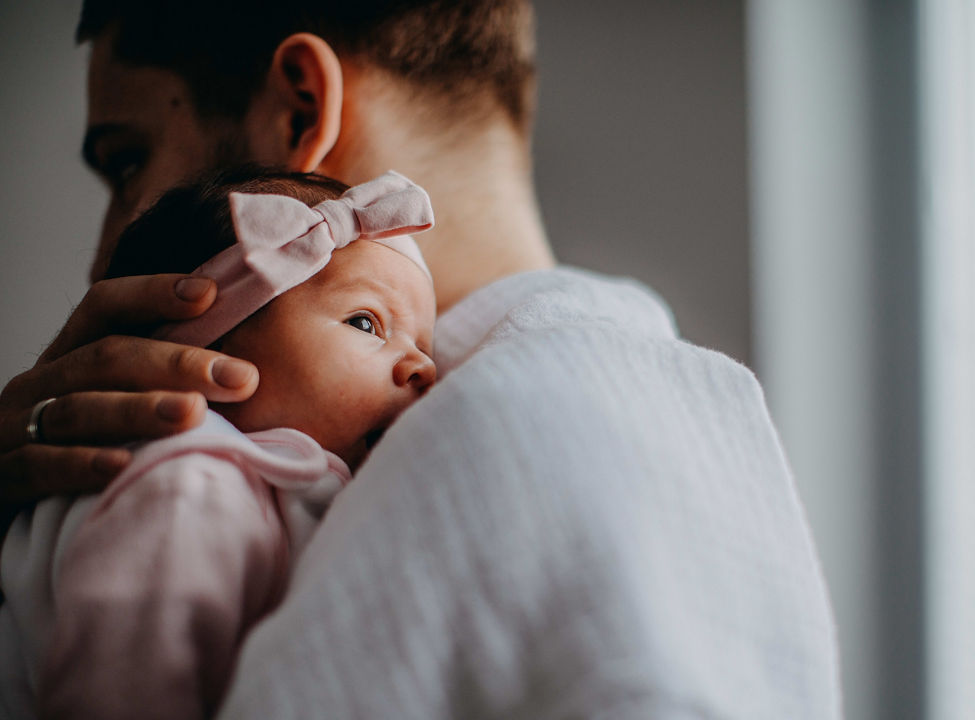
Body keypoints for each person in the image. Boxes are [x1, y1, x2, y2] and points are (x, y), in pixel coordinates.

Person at [0, 2, 841, 717]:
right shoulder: (661, 412)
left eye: (127, 161)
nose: (104, 249)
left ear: (299, 112)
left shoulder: (525, 434)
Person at [1, 169, 438, 720]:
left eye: (425, 343)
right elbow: (125, 686)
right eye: (366, 323)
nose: (424, 367)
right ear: (211, 352)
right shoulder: (188, 483)